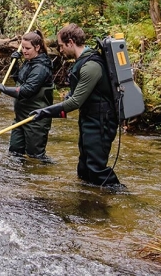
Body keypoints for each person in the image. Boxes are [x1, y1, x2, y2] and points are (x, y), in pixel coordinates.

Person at [30, 23, 123, 188]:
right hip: (89, 119)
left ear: (70, 42)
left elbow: (75, 102)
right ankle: (88, 202)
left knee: (96, 169)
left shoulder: (91, 66)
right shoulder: (81, 63)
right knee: (84, 169)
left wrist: (45, 112)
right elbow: (73, 97)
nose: (60, 50)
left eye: (61, 46)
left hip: (102, 122)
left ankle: (123, 197)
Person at [0, 30, 54, 159]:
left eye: (28, 48)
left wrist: (4, 89)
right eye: (23, 48)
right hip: (21, 117)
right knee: (15, 153)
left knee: (35, 156)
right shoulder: (29, 62)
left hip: (35, 119)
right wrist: (15, 64)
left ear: (37, 47)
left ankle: (41, 175)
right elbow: (19, 81)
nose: (24, 51)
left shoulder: (41, 68)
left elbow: (26, 91)